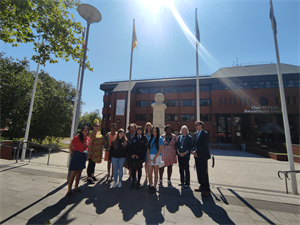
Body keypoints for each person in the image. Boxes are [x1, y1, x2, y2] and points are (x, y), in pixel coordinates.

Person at [66, 126, 90, 197]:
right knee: (73, 174)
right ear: (81, 131)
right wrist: (73, 153)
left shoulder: (87, 138)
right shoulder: (77, 138)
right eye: (84, 130)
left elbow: (86, 147)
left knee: (79, 172)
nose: (86, 131)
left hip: (83, 156)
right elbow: (70, 146)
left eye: (87, 130)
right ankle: (69, 191)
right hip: (77, 156)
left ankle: (76, 188)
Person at [192, 120, 211, 197]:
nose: (195, 126)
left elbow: (204, 145)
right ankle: (202, 186)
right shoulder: (195, 134)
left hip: (202, 156)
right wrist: (193, 151)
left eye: (196, 125)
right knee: (198, 171)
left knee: (204, 172)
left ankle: (207, 189)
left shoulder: (205, 134)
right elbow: (194, 143)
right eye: (195, 125)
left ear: (201, 125)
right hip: (196, 156)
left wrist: (197, 151)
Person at [86, 119, 104, 184]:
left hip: (97, 152)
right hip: (93, 151)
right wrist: (90, 152)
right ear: (93, 126)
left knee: (94, 164)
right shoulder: (92, 133)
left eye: (98, 126)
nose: (97, 127)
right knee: (90, 164)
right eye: (96, 126)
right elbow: (90, 143)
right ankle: (89, 178)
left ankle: (92, 175)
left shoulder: (98, 133)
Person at [147, 126, 163, 194]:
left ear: (157, 131)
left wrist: (155, 158)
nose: (154, 132)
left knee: (156, 173)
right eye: (153, 130)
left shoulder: (160, 138)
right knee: (150, 173)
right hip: (150, 157)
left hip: (157, 156)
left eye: (155, 131)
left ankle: (154, 186)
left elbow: (160, 149)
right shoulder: (150, 138)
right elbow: (148, 148)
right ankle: (150, 184)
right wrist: (148, 158)